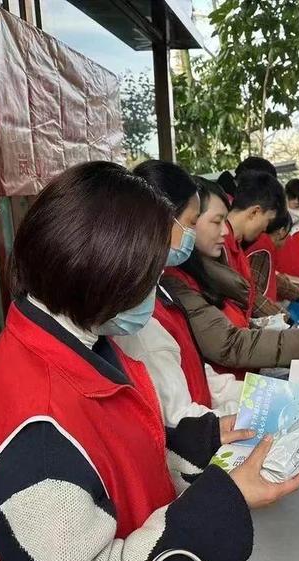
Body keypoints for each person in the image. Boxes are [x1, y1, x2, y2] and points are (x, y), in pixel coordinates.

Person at [0, 162, 299, 561]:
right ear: (101, 272)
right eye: (147, 273)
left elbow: (120, 452)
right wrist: (227, 498)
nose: (155, 292)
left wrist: (202, 440)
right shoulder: (37, 428)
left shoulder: (77, 341)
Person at [164, 177, 299, 378]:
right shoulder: (178, 280)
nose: (225, 231)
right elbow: (230, 343)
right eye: (216, 221)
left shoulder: (214, 261)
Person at [115, 160, 242, 428]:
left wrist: (260, 396)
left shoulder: (160, 286)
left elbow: (192, 369)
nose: (192, 234)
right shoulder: (134, 311)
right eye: (191, 223)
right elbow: (176, 416)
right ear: (161, 220)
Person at [221, 170, 288, 317]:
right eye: (268, 221)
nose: (265, 228)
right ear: (254, 212)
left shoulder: (235, 246)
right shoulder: (219, 246)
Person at [245, 208, 299, 303]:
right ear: (282, 231)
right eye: (288, 232)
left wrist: (296, 293)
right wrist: (281, 315)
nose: (288, 237)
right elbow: (254, 295)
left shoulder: (262, 243)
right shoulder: (263, 251)